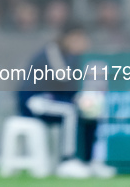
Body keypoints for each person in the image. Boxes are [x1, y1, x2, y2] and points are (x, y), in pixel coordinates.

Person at [18, 22, 116, 178]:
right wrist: (77, 56)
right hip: (34, 101)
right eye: (79, 38)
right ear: (69, 38)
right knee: (69, 111)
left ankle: (89, 160)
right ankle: (67, 161)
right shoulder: (52, 51)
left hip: (55, 100)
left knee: (90, 110)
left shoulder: (72, 56)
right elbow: (63, 77)